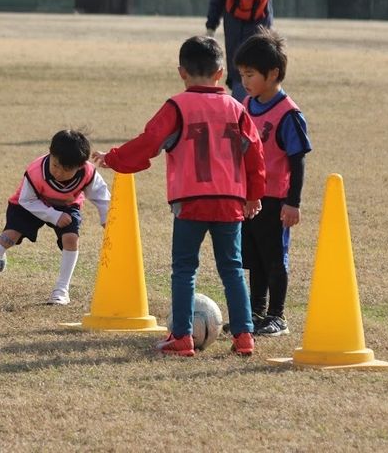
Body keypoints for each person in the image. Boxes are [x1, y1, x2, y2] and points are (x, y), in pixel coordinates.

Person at [93, 36, 266, 357]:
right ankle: (244, 337)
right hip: (229, 201)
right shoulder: (237, 109)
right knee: (232, 268)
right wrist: (254, 194)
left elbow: (149, 142)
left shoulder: (176, 106)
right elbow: (255, 154)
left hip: (191, 200)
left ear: (182, 72)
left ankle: (182, 337)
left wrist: (114, 157)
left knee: (185, 269)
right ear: (220, 73)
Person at [0, 129, 111, 305]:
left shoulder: (88, 173)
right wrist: (53, 215)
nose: (59, 173)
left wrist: (106, 219)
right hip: (29, 204)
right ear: (50, 154)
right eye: (55, 165)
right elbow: (26, 200)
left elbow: (102, 197)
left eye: (66, 169)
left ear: (80, 166)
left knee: (71, 239)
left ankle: (61, 290)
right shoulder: (36, 171)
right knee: (9, 236)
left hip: (67, 206)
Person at [234, 27, 312, 337]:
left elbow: (297, 160)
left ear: (273, 73)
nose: (244, 81)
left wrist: (293, 203)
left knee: (274, 259)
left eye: (250, 74)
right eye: (242, 74)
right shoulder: (246, 105)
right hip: (249, 197)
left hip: (275, 200)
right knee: (253, 257)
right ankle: (255, 313)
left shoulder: (288, 114)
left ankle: (277, 316)